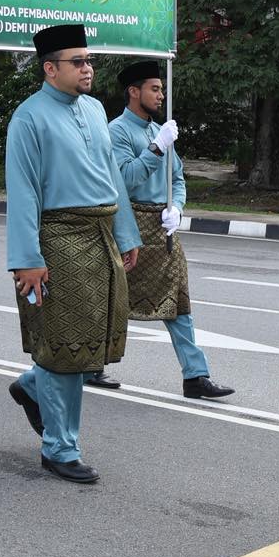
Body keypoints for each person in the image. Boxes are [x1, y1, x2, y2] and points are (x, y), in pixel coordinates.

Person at [4, 25, 140, 485]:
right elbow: (22, 192)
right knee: (65, 347)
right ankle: (59, 448)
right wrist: (27, 257)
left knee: (91, 343)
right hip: (57, 240)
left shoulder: (96, 109)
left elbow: (112, 175)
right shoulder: (29, 118)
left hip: (101, 235)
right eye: (77, 62)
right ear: (50, 68)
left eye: (89, 60)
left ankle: (30, 386)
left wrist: (126, 234)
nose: (88, 69)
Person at [109, 61, 233, 401]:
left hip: (162, 230)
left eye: (162, 89)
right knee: (114, 299)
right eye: (155, 88)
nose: (162, 95)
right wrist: (156, 148)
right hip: (130, 226)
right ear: (134, 92)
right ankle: (90, 365)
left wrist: (177, 207)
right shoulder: (118, 131)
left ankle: (196, 375)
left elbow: (177, 180)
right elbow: (125, 179)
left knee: (179, 301)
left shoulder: (160, 130)